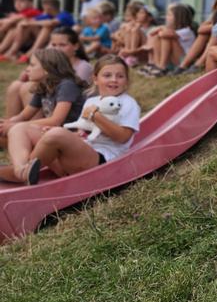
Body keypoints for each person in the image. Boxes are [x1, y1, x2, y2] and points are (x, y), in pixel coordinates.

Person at [5, 55, 140, 185]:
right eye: (107, 75)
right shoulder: (91, 101)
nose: (114, 80)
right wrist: (64, 134)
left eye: (120, 76)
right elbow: (82, 134)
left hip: (102, 161)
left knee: (56, 134)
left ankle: (17, 173)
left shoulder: (128, 103)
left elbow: (123, 137)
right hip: (76, 157)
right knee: (20, 128)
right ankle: (21, 171)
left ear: (126, 80)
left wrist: (97, 117)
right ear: (95, 79)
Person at [0, 48, 87, 151]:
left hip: (70, 136)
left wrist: (14, 126)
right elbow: (23, 116)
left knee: (16, 131)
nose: (27, 69)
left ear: (47, 69)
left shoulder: (67, 85)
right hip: (51, 131)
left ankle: (27, 159)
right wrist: (6, 123)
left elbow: (56, 121)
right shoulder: (44, 86)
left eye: (32, 65)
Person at [5, 28, 92, 120]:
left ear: (76, 46)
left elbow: (72, 94)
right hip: (50, 108)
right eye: (53, 45)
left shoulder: (79, 71)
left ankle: (33, 122)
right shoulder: (44, 81)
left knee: (28, 87)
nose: (57, 48)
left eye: (62, 45)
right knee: (15, 85)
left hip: (62, 114)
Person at [3, 0, 77, 64]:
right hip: (48, 39)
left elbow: (52, 22)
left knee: (47, 27)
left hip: (62, 40)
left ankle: (29, 54)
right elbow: (28, 21)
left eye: (44, 7)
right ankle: (11, 52)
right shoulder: (47, 15)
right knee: (26, 27)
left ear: (49, 7)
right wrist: (26, 23)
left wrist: (32, 23)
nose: (43, 9)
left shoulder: (64, 15)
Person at [139, 3, 196, 77]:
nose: (166, 17)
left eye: (169, 15)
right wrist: (162, 28)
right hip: (174, 59)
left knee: (166, 38)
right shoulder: (172, 30)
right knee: (156, 36)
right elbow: (152, 33)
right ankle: (155, 64)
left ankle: (162, 67)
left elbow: (163, 34)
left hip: (183, 60)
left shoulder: (187, 31)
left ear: (178, 18)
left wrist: (162, 28)